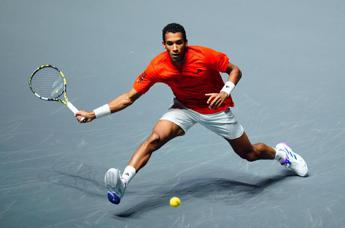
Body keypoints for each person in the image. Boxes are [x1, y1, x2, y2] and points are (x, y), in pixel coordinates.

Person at [75, 23, 308, 205]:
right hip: (184, 108)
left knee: (249, 153)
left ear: (186, 42)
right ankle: (122, 183)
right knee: (154, 139)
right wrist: (94, 114)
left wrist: (225, 91)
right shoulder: (157, 66)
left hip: (215, 110)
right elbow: (129, 97)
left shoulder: (204, 55)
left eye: (179, 42)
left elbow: (234, 70)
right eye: (170, 44)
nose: (175, 48)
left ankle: (282, 154)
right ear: (163, 44)